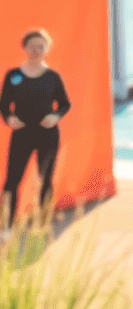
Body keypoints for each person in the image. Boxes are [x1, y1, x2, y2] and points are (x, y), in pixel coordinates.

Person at [1, 29, 70, 224]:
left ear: (47, 49)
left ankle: (43, 221)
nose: (37, 50)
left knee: (45, 180)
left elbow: (65, 103)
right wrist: (9, 118)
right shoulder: (14, 75)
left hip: (47, 135)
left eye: (41, 46)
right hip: (22, 134)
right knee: (11, 181)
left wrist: (55, 116)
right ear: (24, 48)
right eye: (32, 46)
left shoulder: (53, 77)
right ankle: (5, 224)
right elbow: (4, 104)